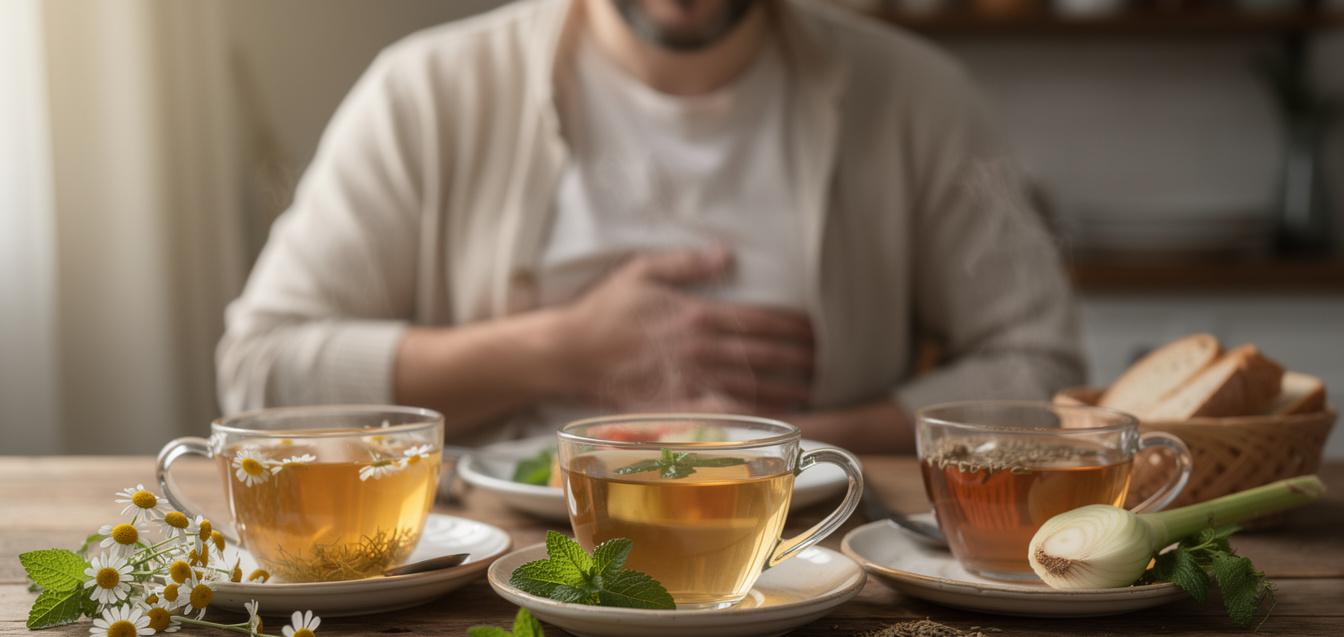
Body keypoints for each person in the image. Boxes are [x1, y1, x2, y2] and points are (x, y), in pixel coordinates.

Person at [216, 0, 1086, 453]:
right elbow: (261, 376)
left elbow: (1043, 371)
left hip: (811, 562)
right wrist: (563, 348)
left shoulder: (919, 96)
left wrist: (795, 447)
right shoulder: (423, 93)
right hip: (490, 585)